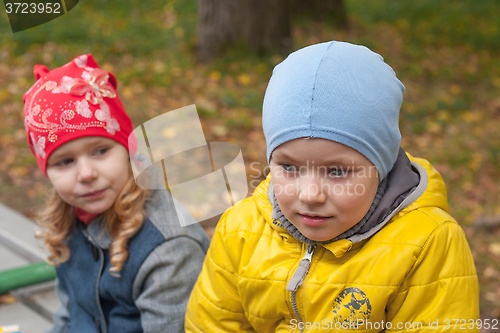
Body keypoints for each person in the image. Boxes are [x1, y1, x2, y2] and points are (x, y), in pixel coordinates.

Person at [185, 41, 479, 332]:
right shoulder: (241, 232)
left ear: (382, 166)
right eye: (289, 167)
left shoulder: (427, 244)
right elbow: (211, 325)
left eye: (337, 171)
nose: (310, 194)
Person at [23, 54, 210, 333]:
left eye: (100, 151)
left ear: (128, 150)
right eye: (65, 161)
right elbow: (73, 313)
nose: (86, 173)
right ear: (46, 171)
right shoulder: (68, 220)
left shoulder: (168, 247)